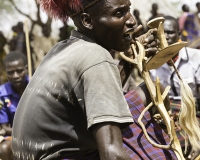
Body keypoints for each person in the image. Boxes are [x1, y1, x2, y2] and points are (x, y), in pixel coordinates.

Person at [11, 0, 174, 159]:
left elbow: (104, 95)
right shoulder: (96, 56)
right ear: (87, 21)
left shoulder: (62, 49)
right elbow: (111, 154)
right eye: (119, 13)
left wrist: (129, 60)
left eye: (128, 10)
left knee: (149, 90)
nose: (131, 21)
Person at [150, 15, 200, 159]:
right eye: (162, 33)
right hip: (168, 117)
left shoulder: (196, 58)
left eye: (170, 32)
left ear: (179, 34)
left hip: (193, 114)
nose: (165, 37)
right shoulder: (152, 64)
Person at [0, 51, 28, 160]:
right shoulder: (1, 94)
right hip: (15, 137)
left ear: (26, 68)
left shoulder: (37, 87)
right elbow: (5, 127)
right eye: (10, 72)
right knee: (3, 149)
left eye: (20, 71)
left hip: (39, 135)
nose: (15, 76)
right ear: (5, 72)